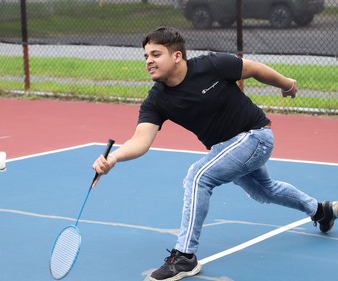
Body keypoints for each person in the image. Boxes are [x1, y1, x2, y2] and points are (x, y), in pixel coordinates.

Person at [92, 27, 337, 281]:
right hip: (228, 149)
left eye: (155, 54)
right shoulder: (157, 100)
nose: (149, 61)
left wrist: (286, 84)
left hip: (255, 136)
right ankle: (321, 211)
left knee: (198, 177)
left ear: (177, 56)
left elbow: (254, 69)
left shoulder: (212, 64)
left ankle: (185, 257)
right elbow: (141, 140)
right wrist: (114, 157)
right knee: (264, 190)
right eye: (145, 56)